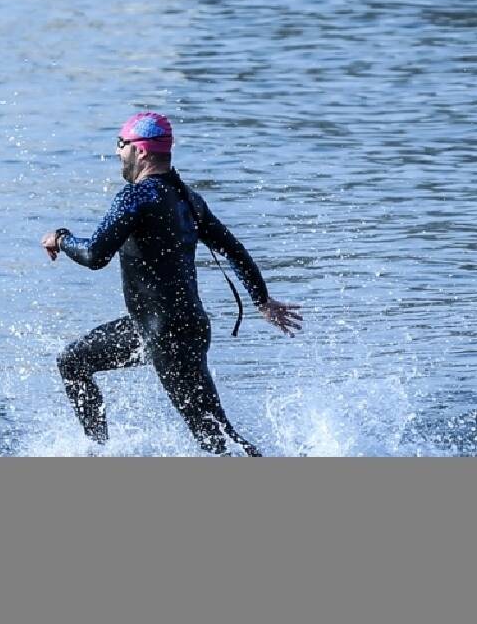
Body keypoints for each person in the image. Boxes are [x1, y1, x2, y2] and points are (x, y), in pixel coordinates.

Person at [40, 112, 302, 455]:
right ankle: (98, 451)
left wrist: (61, 238)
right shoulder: (187, 200)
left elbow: (94, 255)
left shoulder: (135, 198)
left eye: (121, 145)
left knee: (216, 441)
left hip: (166, 335)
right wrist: (261, 300)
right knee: (72, 361)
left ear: (141, 151)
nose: (118, 153)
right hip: (169, 328)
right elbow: (235, 251)